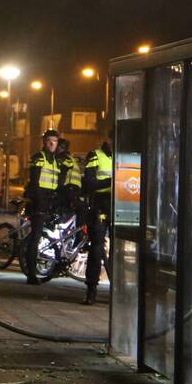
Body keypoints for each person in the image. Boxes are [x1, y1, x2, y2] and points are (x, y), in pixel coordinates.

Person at [22, 129, 73, 283]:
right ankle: (31, 274)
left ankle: (57, 264)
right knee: (36, 237)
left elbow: (59, 183)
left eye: (55, 141)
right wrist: (40, 202)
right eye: (49, 140)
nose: (52, 143)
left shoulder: (56, 161)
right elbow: (34, 183)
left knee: (55, 234)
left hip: (50, 202)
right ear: (44, 142)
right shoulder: (39, 158)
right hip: (40, 202)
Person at [82, 133, 113, 305]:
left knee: (119, 251)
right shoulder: (95, 155)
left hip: (119, 205)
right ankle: (91, 289)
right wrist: (110, 181)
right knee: (96, 248)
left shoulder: (125, 156)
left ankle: (117, 291)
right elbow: (89, 183)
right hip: (100, 205)